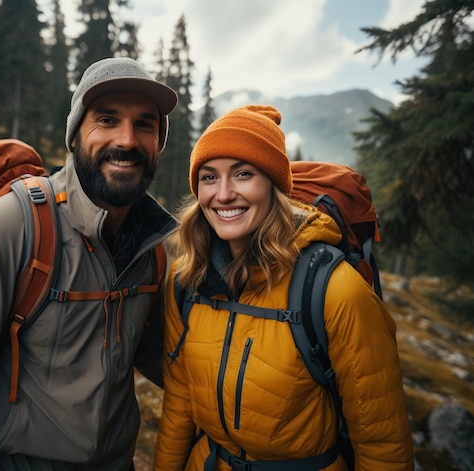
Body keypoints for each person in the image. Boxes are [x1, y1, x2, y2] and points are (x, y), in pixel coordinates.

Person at [0, 57, 179, 470]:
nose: (127, 139)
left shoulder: (152, 248)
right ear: (74, 136)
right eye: (107, 119)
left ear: (158, 142)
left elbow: (163, 357)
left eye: (145, 124)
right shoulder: (2, 233)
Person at [153, 105, 414, 470]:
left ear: (274, 186)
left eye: (243, 174)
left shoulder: (334, 289)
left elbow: (381, 441)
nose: (223, 194)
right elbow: (179, 403)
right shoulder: (186, 281)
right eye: (209, 177)